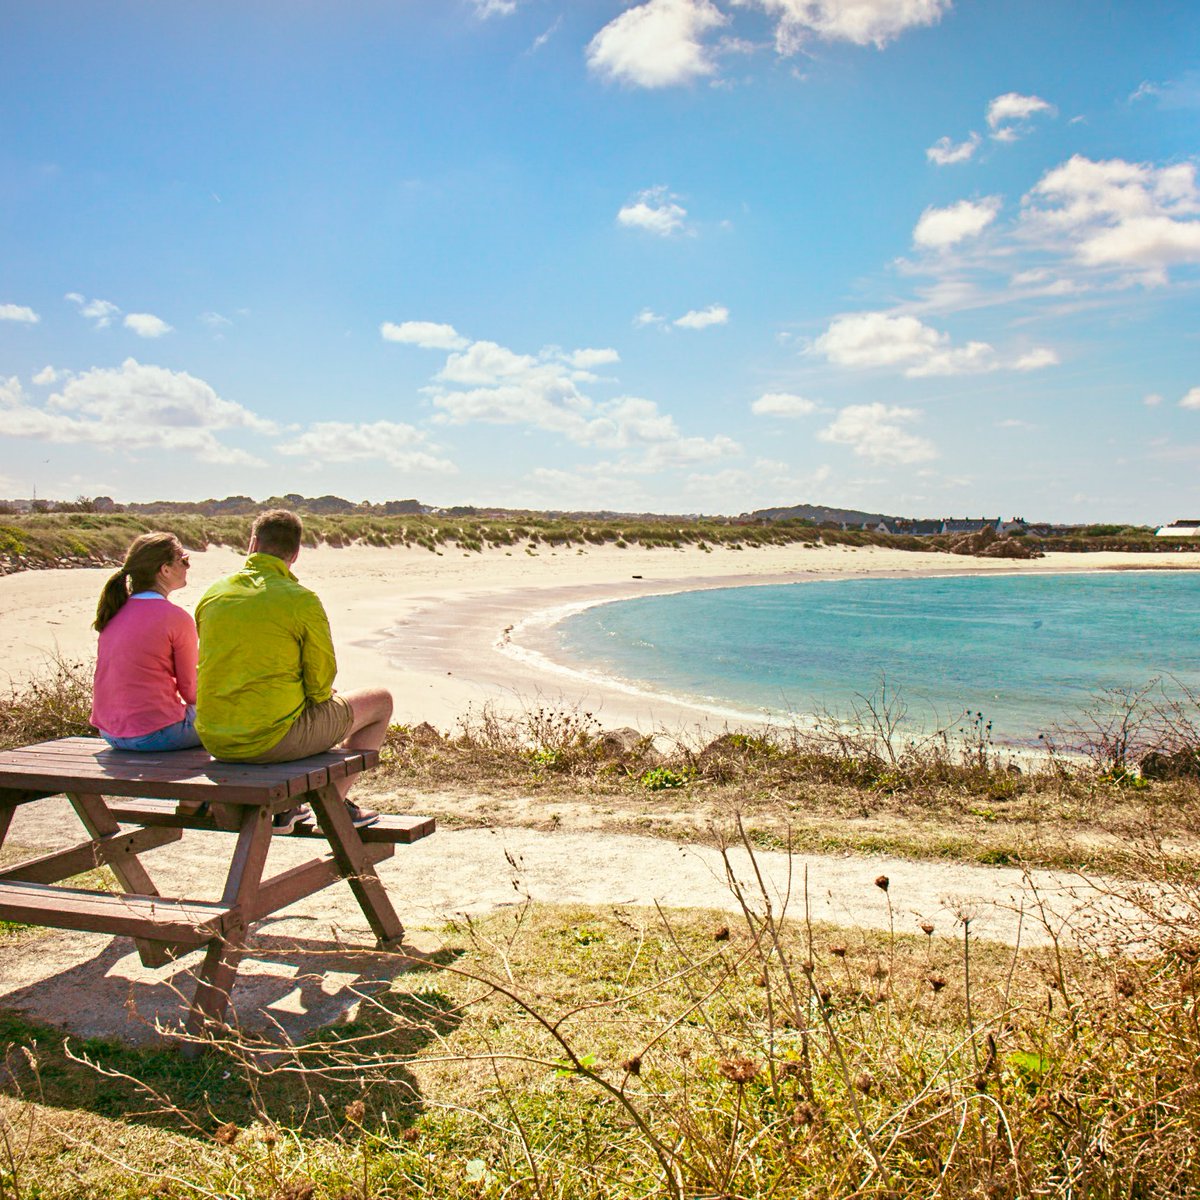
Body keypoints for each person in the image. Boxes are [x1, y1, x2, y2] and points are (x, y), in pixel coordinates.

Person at [195, 508, 386, 833]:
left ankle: (289, 808)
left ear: (252, 543)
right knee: (381, 701)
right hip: (270, 740)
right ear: (295, 554)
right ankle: (334, 810)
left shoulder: (214, 594)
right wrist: (321, 698)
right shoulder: (301, 600)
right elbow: (321, 681)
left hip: (216, 738)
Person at [91, 532, 202, 752]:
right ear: (165, 569)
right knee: (232, 717)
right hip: (157, 734)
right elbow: (190, 691)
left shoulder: (114, 611)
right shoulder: (176, 618)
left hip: (111, 733)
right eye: (184, 560)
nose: (187, 567)